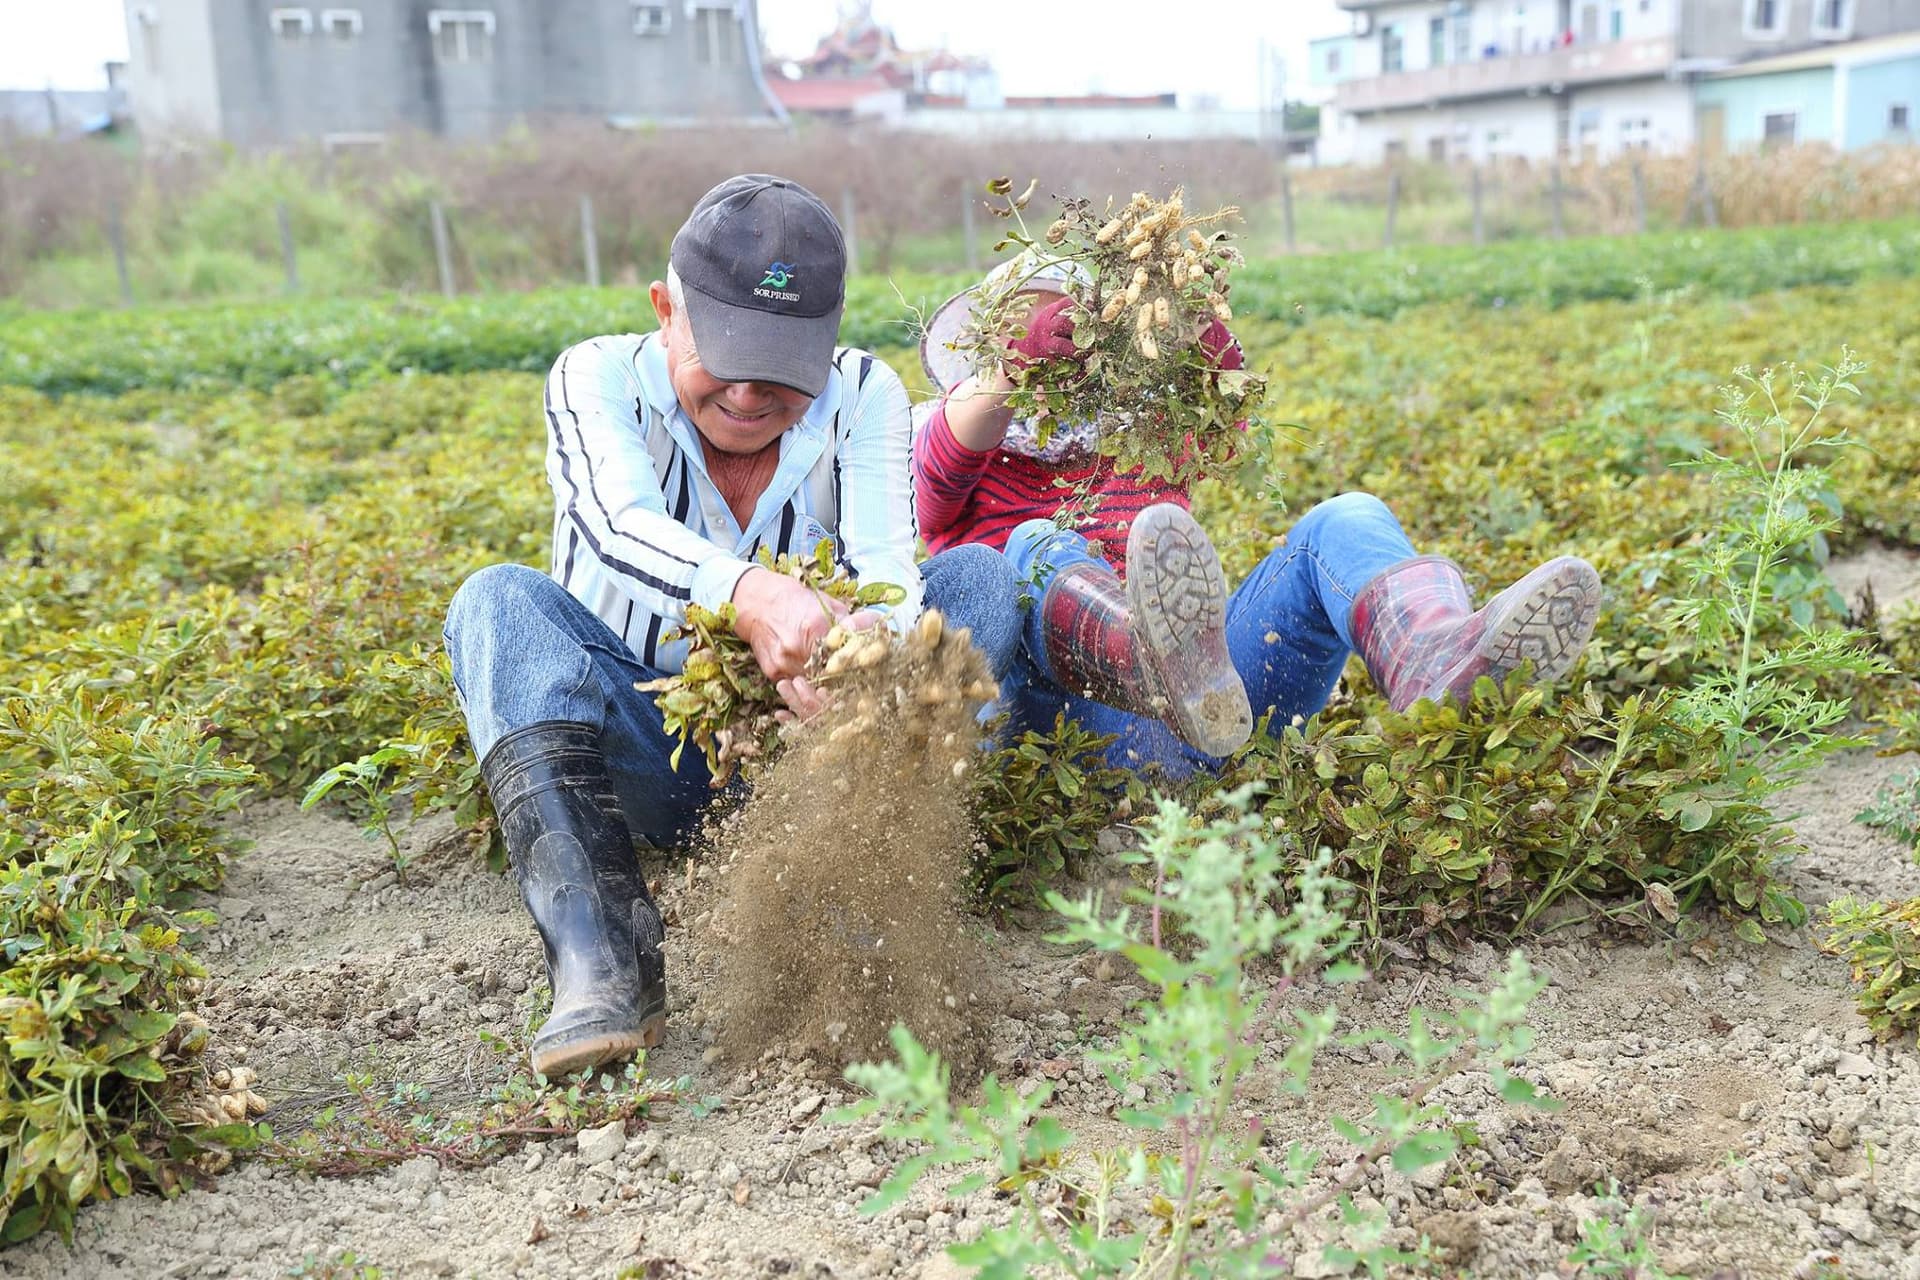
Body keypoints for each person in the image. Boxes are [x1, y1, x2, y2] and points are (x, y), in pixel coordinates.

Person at [443, 175, 1020, 1078]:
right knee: (496, 602)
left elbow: (888, 572)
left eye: (785, 369)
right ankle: (606, 960)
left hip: (812, 764)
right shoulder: (593, 378)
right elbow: (615, 522)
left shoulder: (864, 394)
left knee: (976, 581)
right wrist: (751, 595)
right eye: (726, 355)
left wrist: (861, 662)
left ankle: (868, 900)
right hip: (649, 748)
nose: (750, 393)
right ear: (665, 310)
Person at [910, 253, 1602, 775]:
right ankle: (1150, 660)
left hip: (1218, 722)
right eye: (1030, 331)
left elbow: (1219, 429)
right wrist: (1012, 372)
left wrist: (1203, 364)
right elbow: (952, 446)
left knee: (1347, 518)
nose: (1054, 349)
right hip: (1079, 737)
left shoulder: (1138, 439)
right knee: (1036, 544)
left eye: (1070, 332)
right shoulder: (951, 439)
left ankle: (1435, 660)